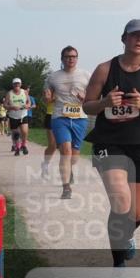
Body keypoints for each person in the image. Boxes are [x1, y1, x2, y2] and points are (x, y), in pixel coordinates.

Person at [82, 19, 140, 267]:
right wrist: (105, 103)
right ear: (124, 39)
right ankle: (118, 264)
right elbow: (87, 106)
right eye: (134, 35)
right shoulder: (105, 69)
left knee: (136, 213)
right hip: (109, 142)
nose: (139, 39)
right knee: (121, 201)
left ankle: (126, 235)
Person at [45, 46, 91, 198]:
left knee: (74, 155)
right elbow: (47, 97)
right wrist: (48, 97)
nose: (70, 59)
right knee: (65, 150)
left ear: (77, 58)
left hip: (80, 117)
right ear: (62, 58)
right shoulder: (53, 77)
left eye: (73, 56)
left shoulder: (86, 75)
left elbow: (94, 97)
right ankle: (66, 188)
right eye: (67, 56)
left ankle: (69, 170)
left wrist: (85, 98)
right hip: (60, 117)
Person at [5, 78, 31, 156]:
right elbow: (5, 105)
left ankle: (24, 145)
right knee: (16, 134)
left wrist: (27, 105)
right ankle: (17, 148)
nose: (17, 85)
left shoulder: (24, 92)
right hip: (13, 116)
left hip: (23, 115)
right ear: (13, 85)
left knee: (25, 131)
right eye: (15, 83)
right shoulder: (9, 93)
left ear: (20, 84)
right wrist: (12, 107)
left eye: (18, 83)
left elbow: (29, 102)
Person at [41, 86, 57, 179]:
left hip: (66, 116)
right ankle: (45, 164)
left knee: (67, 145)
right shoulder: (50, 87)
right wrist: (55, 98)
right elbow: (45, 101)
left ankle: (68, 170)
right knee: (52, 145)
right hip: (51, 115)